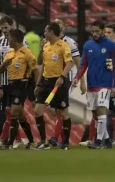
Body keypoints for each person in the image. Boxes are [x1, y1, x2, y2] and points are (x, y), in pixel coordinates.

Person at [73, 21, 115, 149]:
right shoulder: (88, 45)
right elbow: (83, 64)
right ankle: (107, 140)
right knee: (95, 114)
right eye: (92, 32)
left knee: (101, 109)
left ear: (102, 30)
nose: (94, 34)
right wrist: (77, 77)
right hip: (91, 84)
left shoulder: (111, 45)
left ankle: (98, 141)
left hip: (105, 83)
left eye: (97, 31)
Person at [34, 22, 74, 150]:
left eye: (46, 31)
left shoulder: (64, 46)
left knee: (63, 113)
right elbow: (42, 64)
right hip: (45, 82)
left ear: (51, 32)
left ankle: (66, 142)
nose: (44, 33)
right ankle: (43, 141)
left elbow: (69, 63)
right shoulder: (45, 46)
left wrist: (62, 77)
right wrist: (38, 83)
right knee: (37, 111)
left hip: (59, 83)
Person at [0, 29, 39, 150]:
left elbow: (36, 70)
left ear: (15, 39)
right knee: (20, 116)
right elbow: (0, 70)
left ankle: (9, 143)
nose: (7, 40)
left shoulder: (27, 53)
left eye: (9, 38)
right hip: (11, 86)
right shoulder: (10, 52)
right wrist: (5, 63)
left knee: (14, 112)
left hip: (22, 85)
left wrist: (37, 86)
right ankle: (31, 142)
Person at [49, 18, 85, 148]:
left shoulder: (69, 42)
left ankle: (55, 138)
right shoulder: (49, 42)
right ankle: (62, 140)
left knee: (62, 110)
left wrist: (82, 81)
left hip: (65, 80)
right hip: (51, 80)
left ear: (63, 27)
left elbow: (78, 62)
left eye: (59, 24)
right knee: (58, 111)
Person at [0, 16, 27, 148]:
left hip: (18, 81)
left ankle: (4, 139)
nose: (4, 30)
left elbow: (27, 56)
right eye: (2, 28)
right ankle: (18, 139)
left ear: (12, 26)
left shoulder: (20, 40)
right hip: (5, 81)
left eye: (6, 27)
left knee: (15, 112)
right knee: (10, 112)